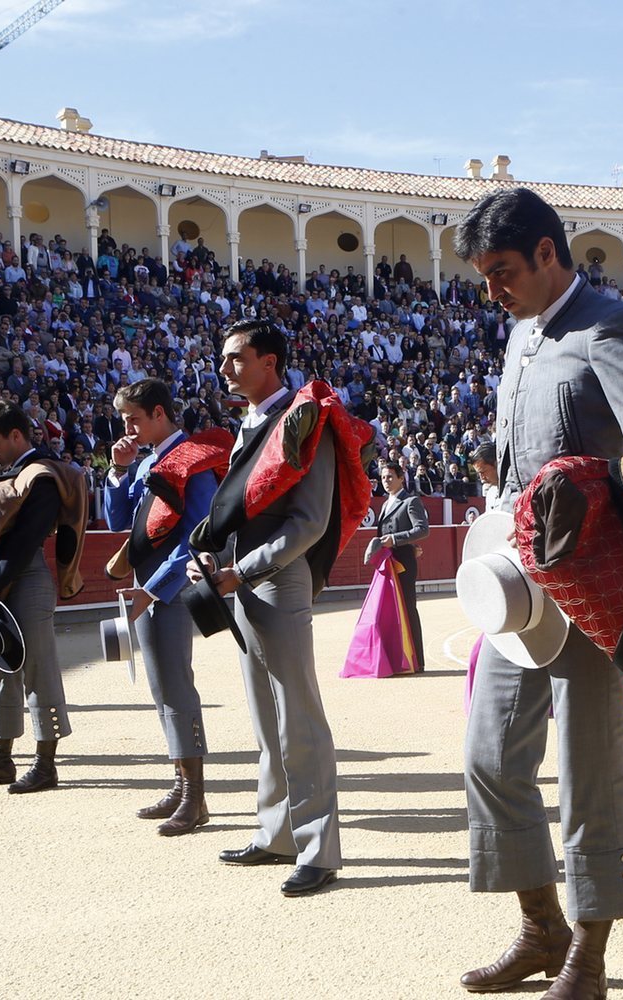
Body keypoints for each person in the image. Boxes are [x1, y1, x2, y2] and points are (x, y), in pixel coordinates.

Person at [452, 187, 623, 999]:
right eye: (486, 275)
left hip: (593, 581)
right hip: (521, 582)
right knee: (489, 755)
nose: (494, 289)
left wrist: (584, 503)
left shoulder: (611, 326)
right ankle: (541, 926)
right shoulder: (522, 336)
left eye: (504, 270)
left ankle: (588, 959)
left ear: (550, 253)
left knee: (588, 769)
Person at [188, 320, 354, 897]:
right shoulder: (255, 422)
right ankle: (278, 831)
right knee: (266, 715)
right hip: (242, 578)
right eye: (223, 357)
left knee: (298, 717)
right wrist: (212, 560)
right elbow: (238, 511)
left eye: (237, 358)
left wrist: (245, 568)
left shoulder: (310, 421)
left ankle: (317, 848)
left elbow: (309, 522)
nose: (225, 368)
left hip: (279, 580)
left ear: (271, 362)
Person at [102, 377, 226, 837]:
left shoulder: (191, 461)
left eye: (133, 418)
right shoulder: (147, 462)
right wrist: (117, 472)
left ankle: (195, 797)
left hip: (168, 590)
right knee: (161, 688)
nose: (127, 428)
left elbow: (200, 535)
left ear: (159, 413)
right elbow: (120, 523)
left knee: (175, 687)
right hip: (147, 587)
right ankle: (181, 784)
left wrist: (152, 591)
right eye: (123, 420)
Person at [0, 400, 89, 794]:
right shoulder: (26, 474)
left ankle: (45, 765)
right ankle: (0, 759)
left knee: (37, 671)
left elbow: (27, 537)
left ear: (16, 435)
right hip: (6, 580)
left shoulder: (41, 475)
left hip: (24, 579)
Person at [366, 461, 430, 669]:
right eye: (384, 477)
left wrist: (396, 540)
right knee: (389, 610)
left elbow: (422, 530)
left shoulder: (411, 501)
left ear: (402, 478)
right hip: (387, 563)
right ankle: (394, 659)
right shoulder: (385, 504)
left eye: (391, 477)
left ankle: (416, 661)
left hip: (403, 563)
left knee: (408, 608)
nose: (386, 481)